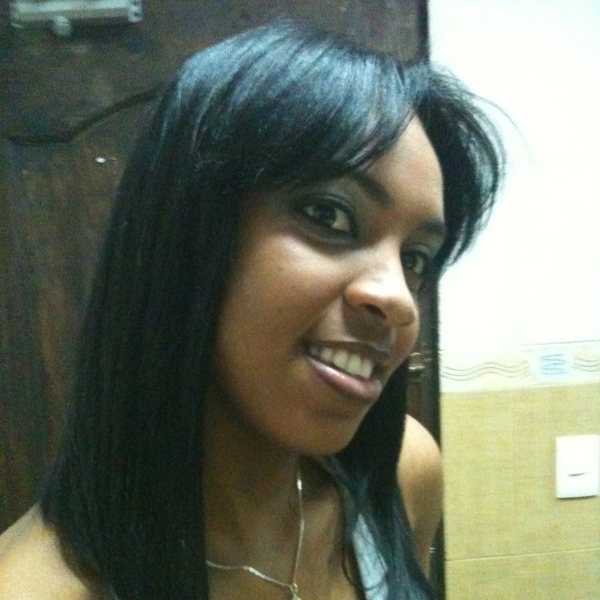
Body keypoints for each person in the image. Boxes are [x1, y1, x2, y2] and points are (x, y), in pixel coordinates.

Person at [0, 19, 504, 600]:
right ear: (188, 234)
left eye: (415, 258)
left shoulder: (402, 476)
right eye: (329, 215)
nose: (398, 298)